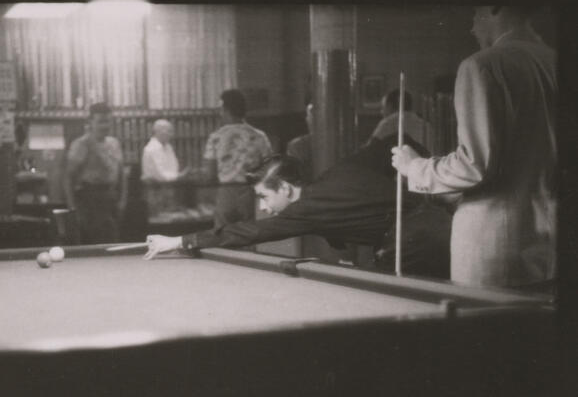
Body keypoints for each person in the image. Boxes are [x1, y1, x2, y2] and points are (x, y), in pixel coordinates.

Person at [391, 6, 557, 397]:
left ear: (496, 7)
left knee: (501, 392)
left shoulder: (484, 65)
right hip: (551, 242)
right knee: (545, 389)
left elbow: (476, 164)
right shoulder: (554, 60)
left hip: (496, 249)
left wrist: (415, 167)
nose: (469, 24)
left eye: (475, 12)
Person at [145, 136, 452, 280]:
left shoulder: (303, 210)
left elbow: (249, 232)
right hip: (443, 219)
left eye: (264, 197)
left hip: (415, 241)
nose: (264, 208)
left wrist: (179, 240)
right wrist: (420, 173)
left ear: (285, 188)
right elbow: (397, 140)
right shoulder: (340, 170)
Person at [204, 89, 273, 228]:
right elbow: (270, 168)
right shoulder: (259, 136)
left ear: (226, 110)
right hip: (250, 193)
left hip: (226, 193)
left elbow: (210, 174)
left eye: (221, 109)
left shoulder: (216, 137)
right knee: (249, 234)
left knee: (223, 235)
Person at [64, 102, 127, 244]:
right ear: (90, 122)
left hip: (111, 199)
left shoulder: (114, 143)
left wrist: (122, 201)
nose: (105, 126)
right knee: (93, 245)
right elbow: (68, 178)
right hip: (89, 201)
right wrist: (72, 209)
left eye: (108, 121)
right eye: (100, 122)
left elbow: (122, 175)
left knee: (112, 243)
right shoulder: (81, 144)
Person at [368, 89, 432, 152]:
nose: (381, 112)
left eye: (383, 107)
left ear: (390, 106)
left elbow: (369, 148)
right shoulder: (426, 125)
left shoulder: (387, 123)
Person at [286, 102, 316, 183]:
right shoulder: (296, 146)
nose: (307, 119)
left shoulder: (296, 146)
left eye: (309, 116)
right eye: (308, 115)